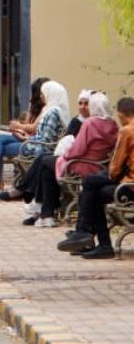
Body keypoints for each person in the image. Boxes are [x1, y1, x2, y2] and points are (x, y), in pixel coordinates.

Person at [22, 92, 118, 225]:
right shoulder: (112, 124)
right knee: (48, 162)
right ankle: (43, 209)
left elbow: (78, 148)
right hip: (100, 165)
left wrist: (65, 155)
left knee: (46, 163)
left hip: (82, 164)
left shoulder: (90, 123)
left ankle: (44, 210)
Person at [58, 97, 134, 260]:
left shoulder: (127, 131)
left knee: (92, 185)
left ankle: (88, 234)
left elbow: (115, 167)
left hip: (130, 186)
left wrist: (110, 174)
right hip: (128, 181)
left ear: (121, 114)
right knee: (94, 189)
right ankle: (88, 235)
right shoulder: (116, 127)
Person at [0, 80, 70, 202]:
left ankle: (9, 186)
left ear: (51, 94)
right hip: (35, 144)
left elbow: (45, 140)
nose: (41, 96)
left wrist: (27, 139)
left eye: (43, 93)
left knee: (0, 142)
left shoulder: (53, 113)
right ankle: (16, 188)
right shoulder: (50, 110)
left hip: (39, 148)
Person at [0, 78, 48, 188]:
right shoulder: (33, 104)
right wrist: (18, 127)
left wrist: (18, 126)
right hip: (26, 136)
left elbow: (33, 128)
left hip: (32, 142)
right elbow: (28, 124)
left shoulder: (47, 109)